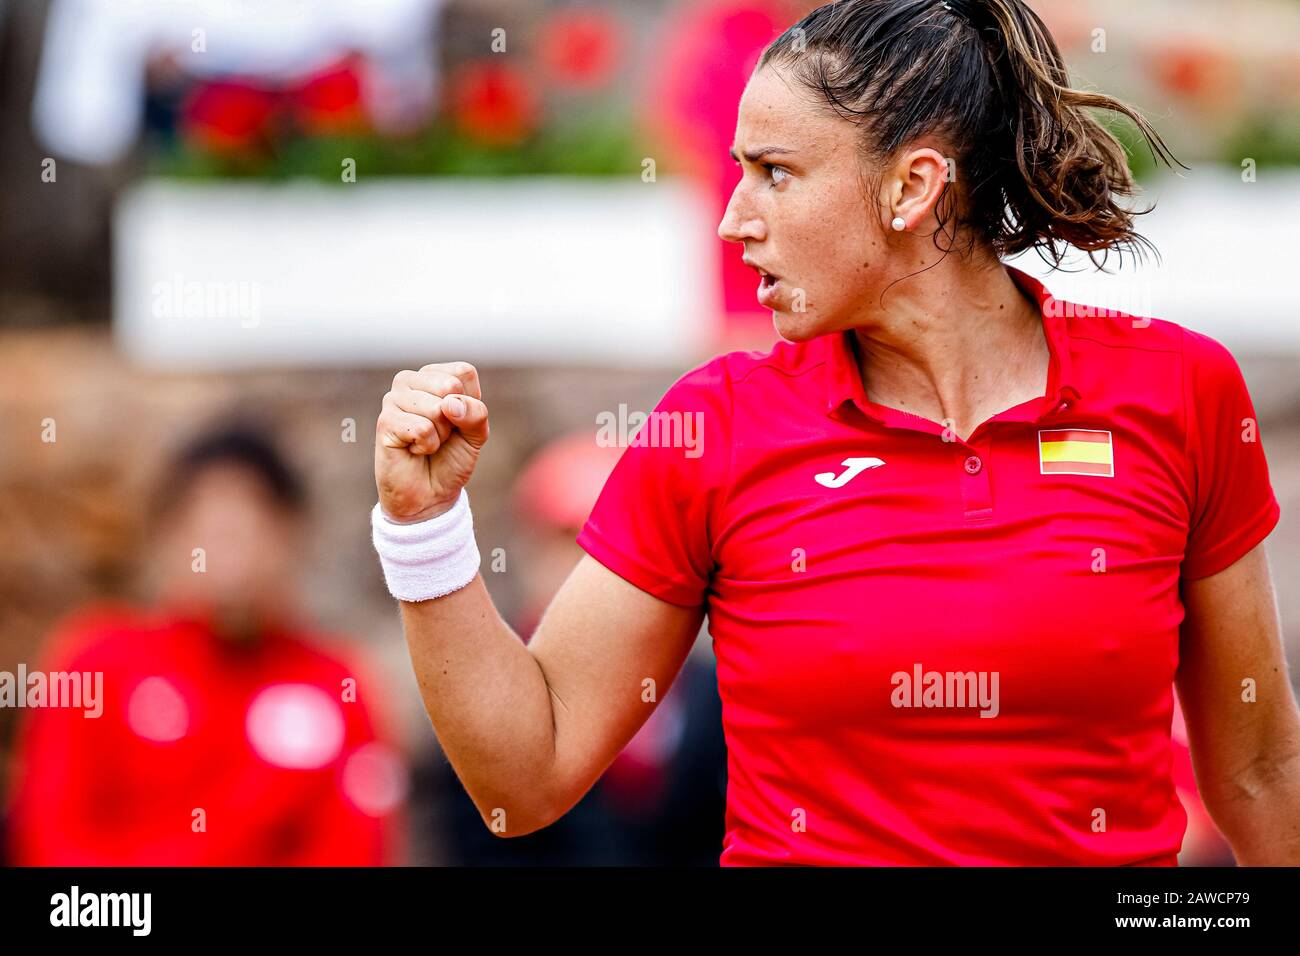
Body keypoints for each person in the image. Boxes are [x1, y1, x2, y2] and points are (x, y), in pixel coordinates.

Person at [369, 0, 1299, 865]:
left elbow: (1258, 774)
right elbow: (523, 779)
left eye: (774, 173)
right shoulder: (716, 421)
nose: (734, 221)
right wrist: (424, 530)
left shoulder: (1179, 389)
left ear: (912, 187)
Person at [8, 424, 404, 865]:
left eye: (252, 522)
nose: (230, 545)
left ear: (290, 536)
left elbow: (355, 847)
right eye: (210, 523)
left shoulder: (336, 684)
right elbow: (50, 837)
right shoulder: (95, 662)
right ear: (169, 535)